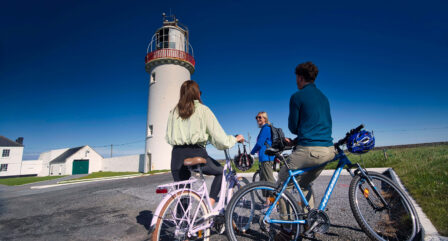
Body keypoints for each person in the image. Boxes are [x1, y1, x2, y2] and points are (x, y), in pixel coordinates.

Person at [276, 61, 336, 240]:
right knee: (303, 184)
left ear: (301, 78)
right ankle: (310, 222)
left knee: (282, 183)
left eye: (296, 78)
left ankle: (287, 230)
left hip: (309, 151)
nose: (296, 82)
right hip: (327, 150)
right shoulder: (324, 97)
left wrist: (297, 136)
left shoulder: (297, 97)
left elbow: (294, 126)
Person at [166, 80, 244, 206]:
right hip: (196, 152)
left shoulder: (173, 112)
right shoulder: (203, 110)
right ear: (197, 94)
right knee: (221, 171)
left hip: (176, 154)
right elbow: (219, 138)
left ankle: (184, 224)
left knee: (182, 193)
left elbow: (169, 136)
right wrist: (234, 139)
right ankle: (210, 205)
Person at [250, 112, 275, 187]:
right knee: (263, 181)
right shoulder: (264, 129)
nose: (258, 119)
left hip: (267, 158)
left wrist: (251, 153)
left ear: (265, 118)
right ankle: (267, 199)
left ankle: (277, 198)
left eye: (260, 117)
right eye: (256, 117)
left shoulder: (266, 128)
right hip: (264, 158)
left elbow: (259, 143)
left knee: (270, 182)